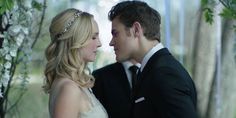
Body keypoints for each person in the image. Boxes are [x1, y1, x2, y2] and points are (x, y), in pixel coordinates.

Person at [108, 1, 197, 118]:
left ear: (136, 29)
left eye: (115, 34)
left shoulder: (165, 73)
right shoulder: (154, 69)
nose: (111, 42)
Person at [43, 8, 108, 118]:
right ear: (76, 40)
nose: (99, 43)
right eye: (93, 37)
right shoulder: (69, 89)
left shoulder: (72, 83)